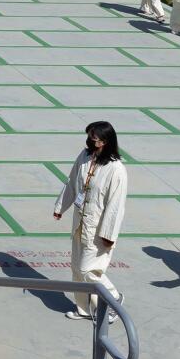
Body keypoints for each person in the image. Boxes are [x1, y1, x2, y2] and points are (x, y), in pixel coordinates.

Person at [53, 121, 127, 321]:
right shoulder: (84, 156)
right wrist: (61, 206)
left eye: (94, 138)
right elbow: (72, 183)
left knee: (89, 270)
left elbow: (116, 206)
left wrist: (109, 235)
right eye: (90, 137)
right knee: (77, 268)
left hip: (98, 230)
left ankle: (113, 298)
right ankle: (84, 309)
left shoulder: (116, 169)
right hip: (79, 223)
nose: (91, 140)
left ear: (105, 141)